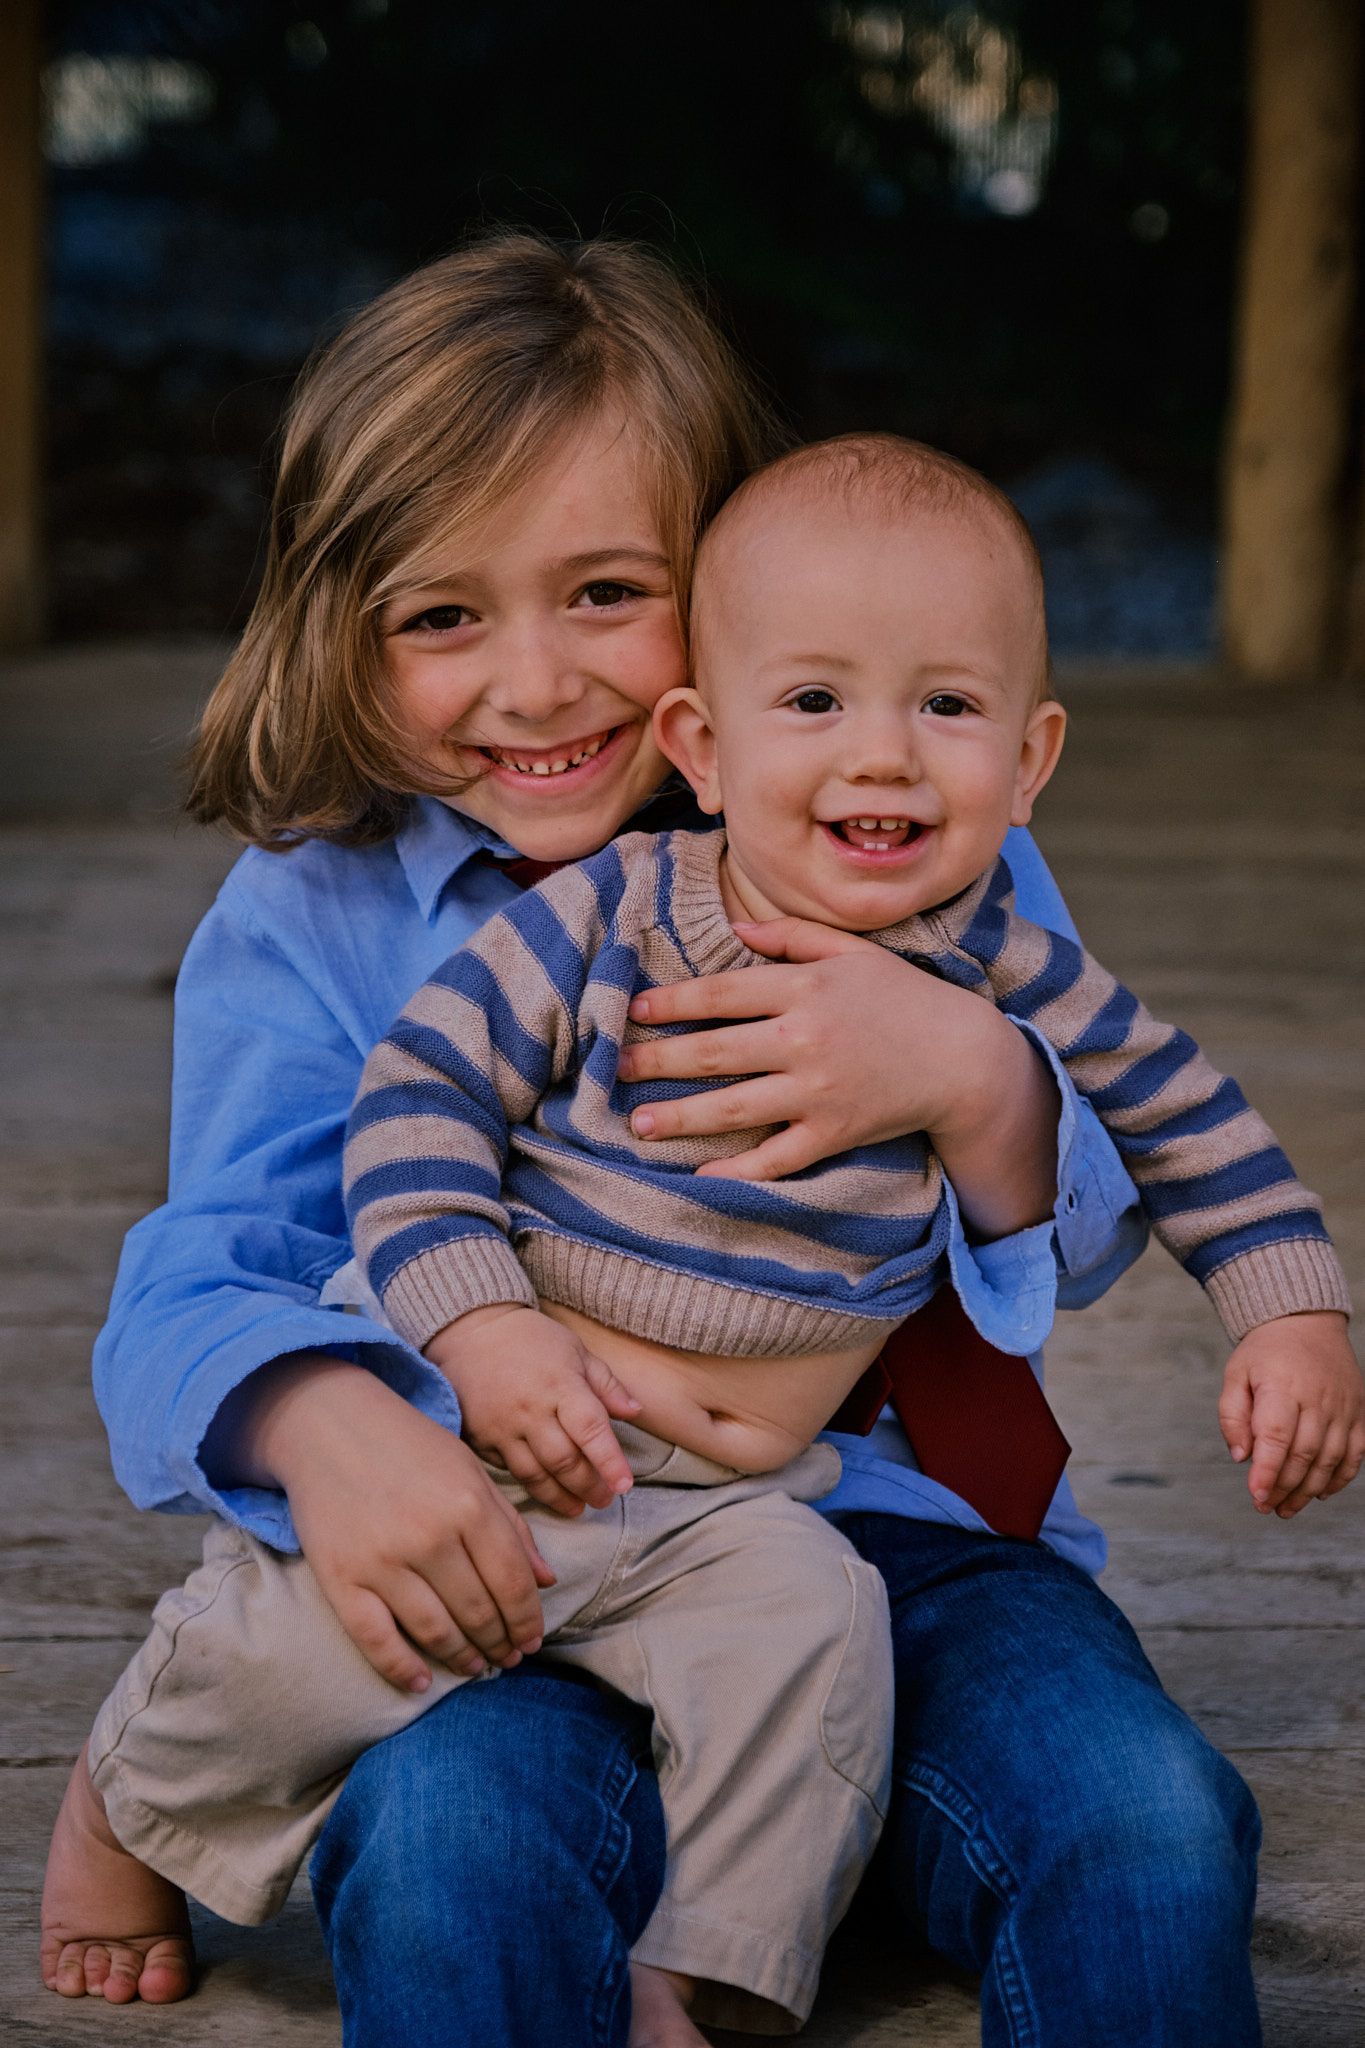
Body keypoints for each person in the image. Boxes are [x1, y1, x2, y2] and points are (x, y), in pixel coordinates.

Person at [33, 235, 1297, 2048]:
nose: (536, 684)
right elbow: (198, 1275)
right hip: (505, 1558)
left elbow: (1101, 1226)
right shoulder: (316, 915)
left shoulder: (903, 830)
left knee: (1148, 1824)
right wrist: (327, 1430)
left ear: (721, 582)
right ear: (343, 628)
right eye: (439, 616)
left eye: (606, 592)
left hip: (894, 1543)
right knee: (456, 1851)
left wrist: (977, 1082)